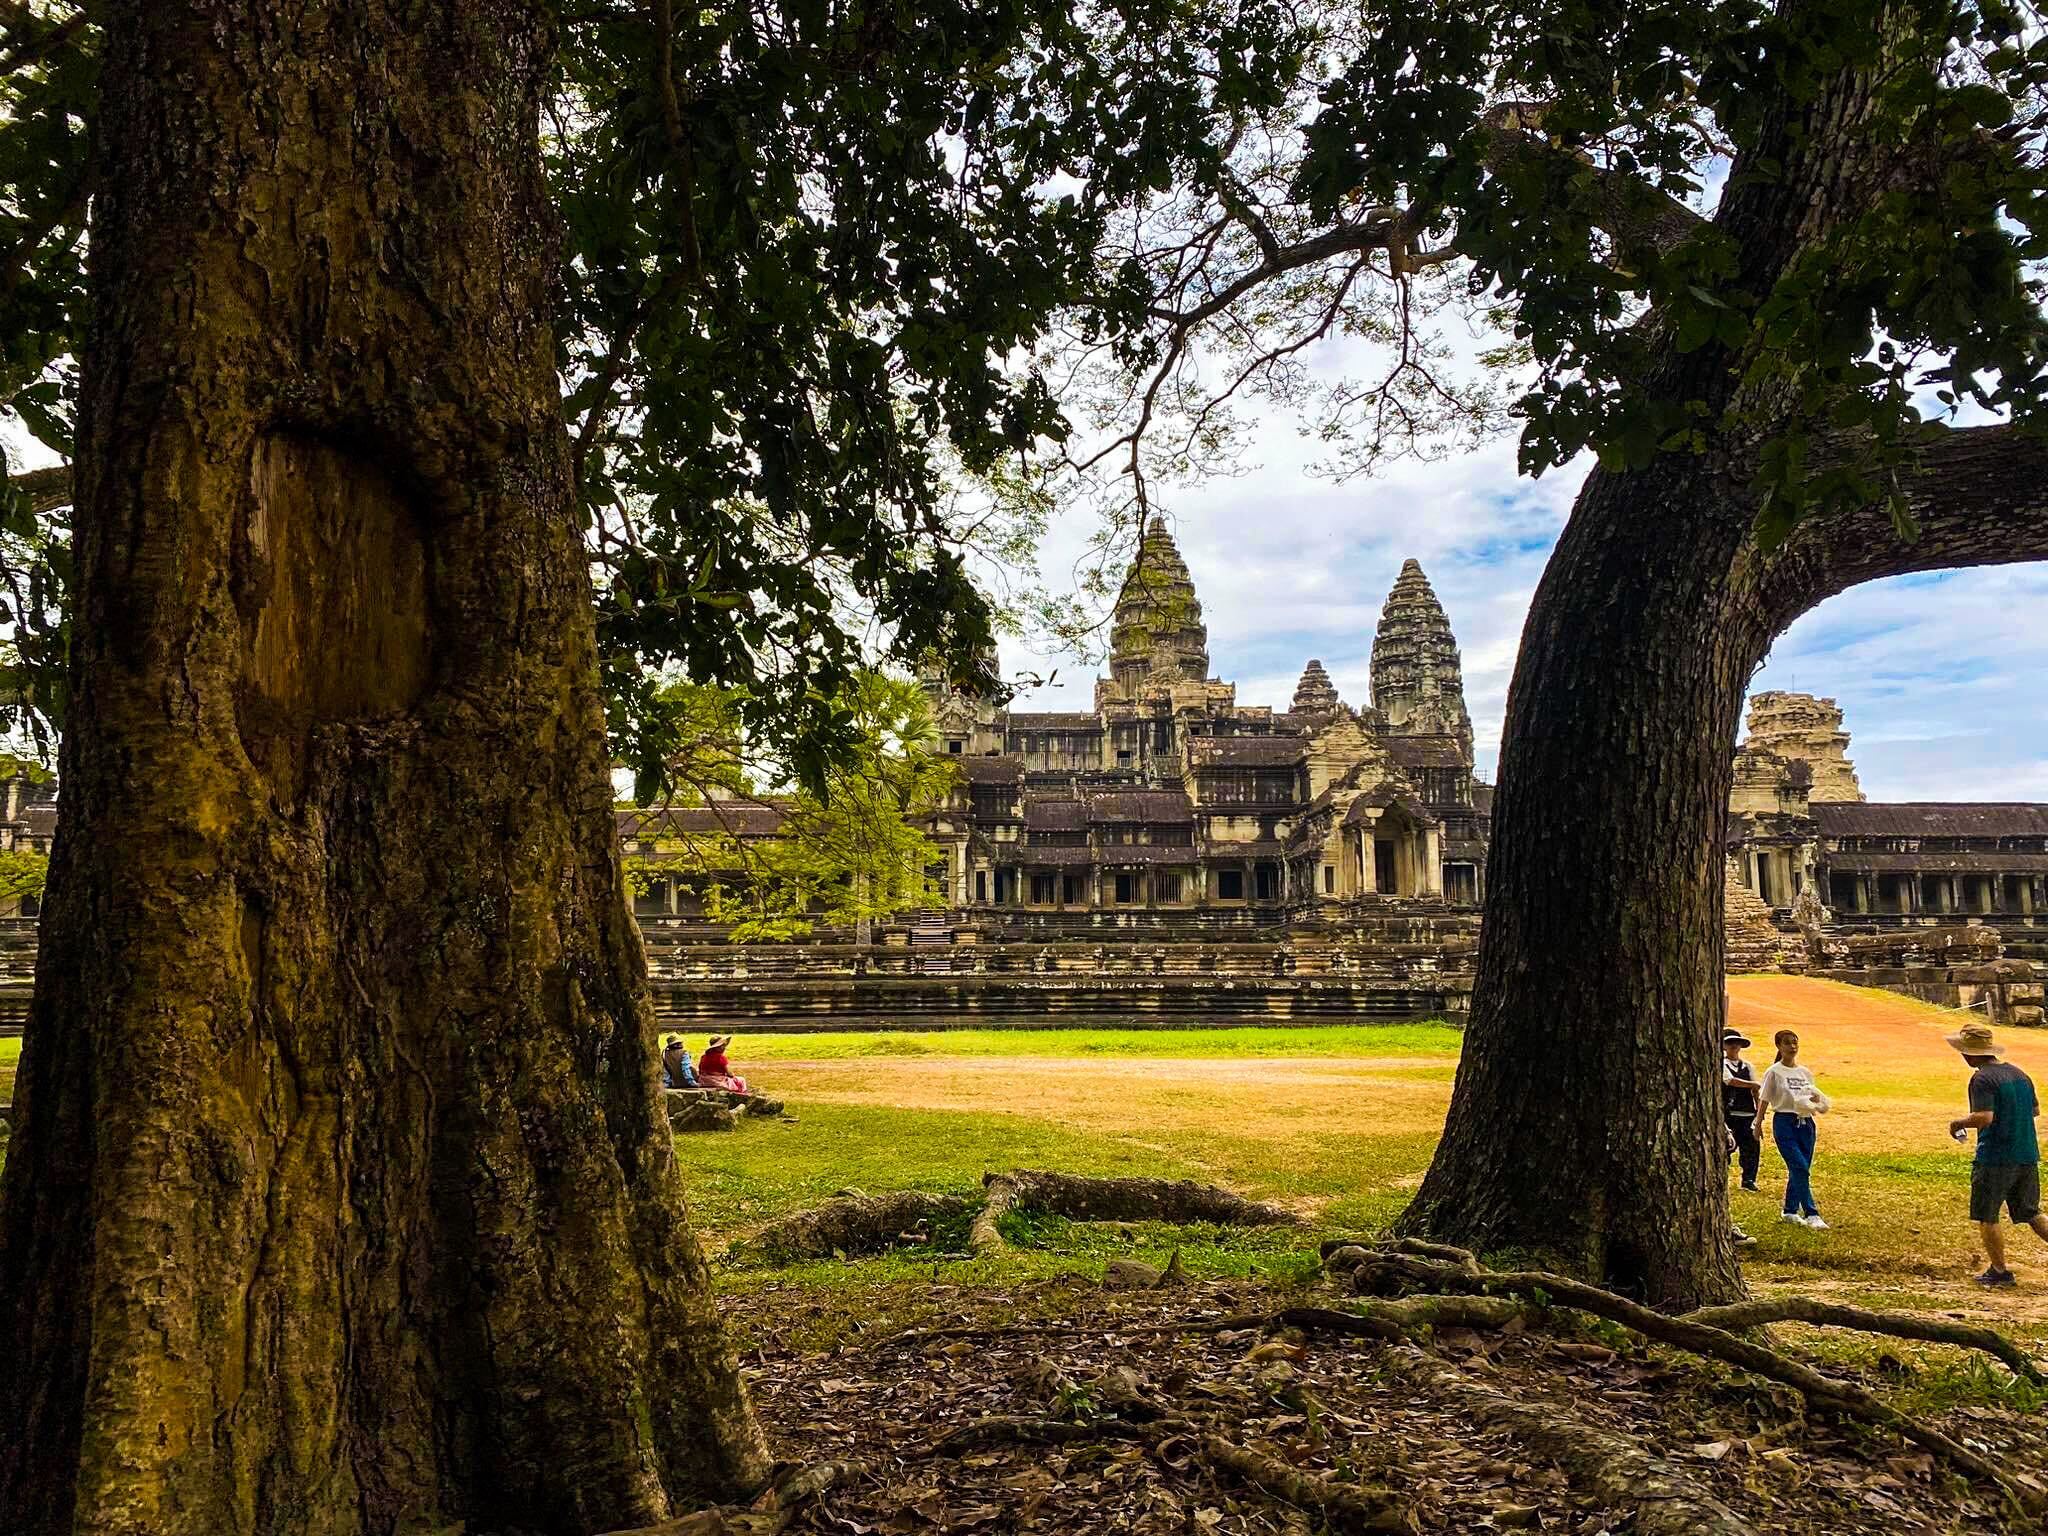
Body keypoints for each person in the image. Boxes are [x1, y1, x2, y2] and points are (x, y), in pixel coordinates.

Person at [1945, 1020, 2048, 1288]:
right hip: (2026, 1153)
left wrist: (1958, 1124)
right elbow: (2034, 1111)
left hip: (1995, 1156)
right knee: (2031, 1212)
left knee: (1987, 1214)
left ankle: (1999, 1271)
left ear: (1970, 1052)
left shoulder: (1981, 1078)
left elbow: (1984, 1117)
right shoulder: (2019, 1074)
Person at [1759, 1029, 1831, 1229]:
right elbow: (1764, 1099)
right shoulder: (1774, 1072)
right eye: (1787, 1043)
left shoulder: (1804, 1072)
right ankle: (1811, 1213)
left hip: (1806, 1123)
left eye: (1795, 1043)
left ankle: (1790, 1210)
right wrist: (1757, 1124)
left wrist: (1818, 1101)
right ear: (1779, 1046)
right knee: (1799, 1166)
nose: (1792, 1047)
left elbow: (1811, 1095)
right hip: (1784, 1122)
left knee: (1801, 1168)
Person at [1722, 1029, 1763, 1193]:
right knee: (1726, 1147)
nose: (1734, 1046)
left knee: (1751, 1148)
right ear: (1724, 1046)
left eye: (1736, 1043)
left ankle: (1749, 1179)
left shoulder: (1748, 1066)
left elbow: (1756, 1091)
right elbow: (1729, 1081)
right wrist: (1752, 1085)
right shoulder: (1720, 1064)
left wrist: (1758, 1113)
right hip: (1729, 1114)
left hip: (1747, 1113)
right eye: (1730, 1043)